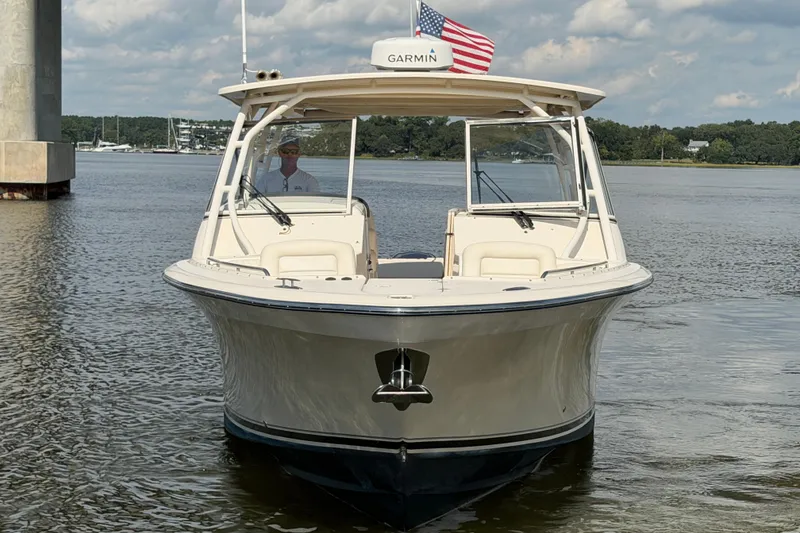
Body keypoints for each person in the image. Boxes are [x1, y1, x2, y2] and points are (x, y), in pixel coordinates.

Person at [254, 137, 319, 193]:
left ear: (299, 154)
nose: (289, 155)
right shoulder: (265, 179)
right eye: (285, 151)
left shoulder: (309, 180)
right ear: (280, 153)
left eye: (294, 152)